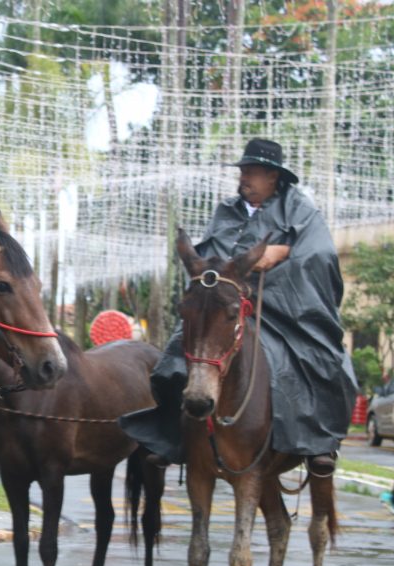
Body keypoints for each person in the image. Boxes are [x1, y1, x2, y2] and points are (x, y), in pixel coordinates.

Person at [120, 138, 358, 477]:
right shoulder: (226, 211)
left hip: (284, 308)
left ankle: (319, 444)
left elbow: (320, 256)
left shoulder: (300, 210)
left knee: (321, 360)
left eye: (252, 172)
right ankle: (174, 438)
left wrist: (283, 253)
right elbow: (208, 259)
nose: (244, 178)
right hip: (224, 306)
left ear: (273, 176)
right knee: (173, 360)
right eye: (243, 171)